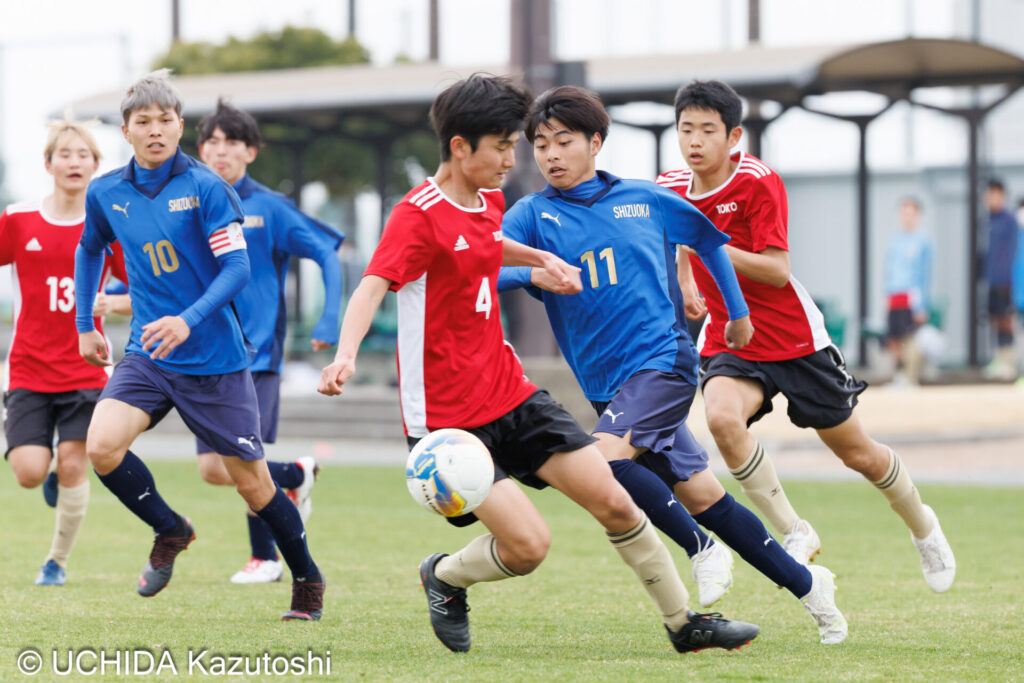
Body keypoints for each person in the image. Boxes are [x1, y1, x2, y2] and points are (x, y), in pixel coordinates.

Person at [317, 74, 758, 654]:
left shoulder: (489, 198)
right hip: (448, 422)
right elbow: (374, 285)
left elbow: (485, 244)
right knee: (528, 548)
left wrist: (540, 260)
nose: (515, 158)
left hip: (512, 395)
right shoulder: (415, 215)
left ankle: (685, 624)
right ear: (459, 147)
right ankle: (445, 577)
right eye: (502, 146)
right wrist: (346, 354)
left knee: (615, 500)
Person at [497, 85, 846, 644]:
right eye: (540, 145)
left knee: (604, 462)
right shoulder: (532, 217)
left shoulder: (643, 198)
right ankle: (810, 587)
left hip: (663, 362)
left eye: (564, 141)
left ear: (596, 143)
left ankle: (701, 548)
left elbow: (708, 241)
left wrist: (735, 315)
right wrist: (532, 272)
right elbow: (486, 265)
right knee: (705, 496)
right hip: (608, 386)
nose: (551, 155)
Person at [658, 79, 955, 593]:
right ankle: (796, 530)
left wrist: (710, 246)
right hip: (732, 337)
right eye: (686, 130)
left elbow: (776, 270)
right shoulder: (670, 185)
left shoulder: (758, 181)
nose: (695, 141)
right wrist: (686, 277)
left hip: (795, 337)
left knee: (858, 453)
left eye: (708, 130)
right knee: (722, 420)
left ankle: (922, 525)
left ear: (734, 137)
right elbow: (680, 229)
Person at [73, 71, 324, 620]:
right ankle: (171, 529)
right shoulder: (106, 191)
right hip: (147, 353)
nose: (156, 130)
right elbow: (90, 248)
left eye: (166, 121)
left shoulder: (207, 187)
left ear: (180, 126)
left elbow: (237, 268)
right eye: (145, 123)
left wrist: (187, 320)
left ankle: (307, 578)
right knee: (102, 447)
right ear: (127, 131)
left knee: (251, 484)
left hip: (214, 358)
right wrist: (84, 323)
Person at [192, 99, 343, 584]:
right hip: (203, 356)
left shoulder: (269, 209)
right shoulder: (189, 205)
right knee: (213, 469)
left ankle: (266, 558)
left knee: (242, 460)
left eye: (231, 142)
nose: (221, 151)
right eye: (212, 142)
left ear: (250, 152)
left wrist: (330, 319)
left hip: (256, 357)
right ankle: (295, 476)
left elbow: (326, 251)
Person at [0, 118, 126, 586]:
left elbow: (147, 291)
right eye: (65, 154)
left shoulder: (110, 227)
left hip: (87, 368)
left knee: (75, 463)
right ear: (48, 164)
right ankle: (35, 452)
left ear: (96, 165)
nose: (74, 162)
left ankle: (56, 562)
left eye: (83, 155)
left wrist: (112, 301)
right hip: (29, 368)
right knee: (29, 473)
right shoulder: (19, 218)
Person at [883, 197, 934, 385]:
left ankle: (910, 377)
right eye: (904, 212)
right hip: (894, 295)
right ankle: (899, 374)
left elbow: (924, 274)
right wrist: (886, 295)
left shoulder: (923, 241)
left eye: (911, 213)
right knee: (894, 338)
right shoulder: (895, 241)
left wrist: (921, 305)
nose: (907, 217)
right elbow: (889, 270)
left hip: (911, 296)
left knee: (910, 337)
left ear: (918, 215)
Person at [983, 180, 1019, 379]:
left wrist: (1008, 279)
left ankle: (1009, 362)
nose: (992, 199)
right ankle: (999, 360)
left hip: (1006, 281)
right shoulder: (987, 220)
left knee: (1006, 321)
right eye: (989, 195)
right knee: (995, 319)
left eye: (996, 195)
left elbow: (1012, 252)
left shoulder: (1009, 221)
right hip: (992, 280)